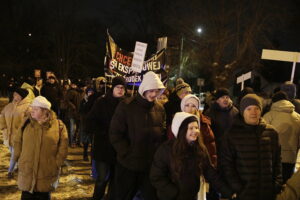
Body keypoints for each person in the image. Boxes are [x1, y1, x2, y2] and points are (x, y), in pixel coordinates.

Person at [150, 112, 234, 200]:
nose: (196, 131)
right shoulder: (166, 149)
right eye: (191, 128)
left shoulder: (200, 148)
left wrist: (228, 192)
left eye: (197, 127)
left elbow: (210, 172)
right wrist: (173, 192)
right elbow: (156, 176)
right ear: (181, 130)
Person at [110, 71, 166, 200]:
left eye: (156, 90)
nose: (154, 94)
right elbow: (115, 133)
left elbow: (161, 134)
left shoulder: (160, 109)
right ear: (143, 89)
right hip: (129, 165)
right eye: (150, 90)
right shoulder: (126, 106)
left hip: (150, 166)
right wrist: (126, 152)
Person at [220, 94, 282, 200]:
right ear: (242, 111)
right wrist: (237, 187)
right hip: (244, 193)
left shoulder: (271, 133)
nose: (253, 112)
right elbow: (227, 164)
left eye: (256, 108)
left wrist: (277, 183)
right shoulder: (232, 134)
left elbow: (277, 160)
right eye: (249, 109)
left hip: (267, 193)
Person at [13, 96, 68, 200]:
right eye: (32, 108)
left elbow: (63, 147)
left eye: (36, 109)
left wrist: (57, 163)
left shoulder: (58, 126)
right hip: (27, 171)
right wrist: (19, 158)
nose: (32, 111)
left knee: (43, 196)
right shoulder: (26, 123)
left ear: (45, 111)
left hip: (46, 172)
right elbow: (17, 142)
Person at [86, 76, 126, 200]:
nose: (120, 90)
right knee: (102, 179)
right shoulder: (101, 102)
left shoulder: (127, 104)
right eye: (118, 87)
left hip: (119, 149)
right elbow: (90, 123)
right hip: (103, 148)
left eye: (123, 88)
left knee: (116, 182)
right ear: (113, 88)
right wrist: (104, 132)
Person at [263, 91, 300, 183]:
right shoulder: (298, 116)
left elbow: (262, 135)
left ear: (274, 102)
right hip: (291, 156)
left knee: (272, 183)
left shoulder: (269, 115)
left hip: (272, 156)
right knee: (286, 183)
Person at [0, 88, 30, 178]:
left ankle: (10, 171)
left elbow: (29, 121)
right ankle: (17, 166)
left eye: (16, 94)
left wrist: (22, 130)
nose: (14, 96)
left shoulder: (28, 107)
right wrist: (3, 127)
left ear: (22, 96)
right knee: (13, 151)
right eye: (14, 94)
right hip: (9, 134)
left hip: (20, 135)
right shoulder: (9, 105)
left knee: (15, 153)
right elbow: (2, 115)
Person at [204, 88, 239, 154]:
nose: (225, 99)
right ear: (217, 100)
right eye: (222, 97)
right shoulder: (209, 113)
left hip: (231, 147)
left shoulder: (235, 112)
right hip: (216, 147)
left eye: (227, 97)